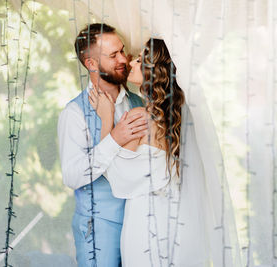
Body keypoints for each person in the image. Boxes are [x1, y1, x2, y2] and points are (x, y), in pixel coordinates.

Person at [89, 38, 241, 266]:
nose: (131, 61)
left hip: (145, 227)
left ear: (154, 72)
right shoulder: (173, 119)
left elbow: (119, 179)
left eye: (140, 60)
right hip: (173, 223)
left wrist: (106, 118)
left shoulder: (140, 116)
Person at [57, 23, 148, 266]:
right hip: (99, 229)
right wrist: (115, 139)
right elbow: (72, 176)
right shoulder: (74, 113)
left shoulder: (141, 102)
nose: (124, 60)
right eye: (113, 55)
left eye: (122, 51)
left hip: (140, 224)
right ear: (91, 64)